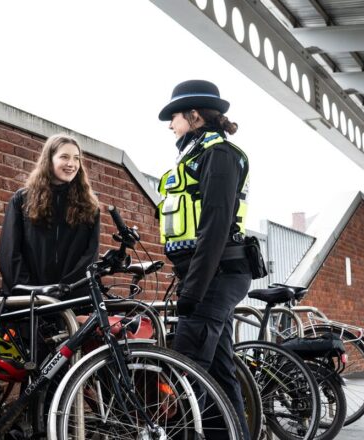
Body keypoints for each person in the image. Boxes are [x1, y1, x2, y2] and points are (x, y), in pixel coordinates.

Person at [157, 80, 252, 439]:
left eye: (174, 117)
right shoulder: (197, 154)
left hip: (217, 275)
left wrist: (192, 292)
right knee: (218, 375)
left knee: (183, 372)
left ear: (194, 116)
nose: (170, 125)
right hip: (211, 276)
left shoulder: (220, 155)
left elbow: (214, 227)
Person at [0, 133, 100, 298]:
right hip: (28, 302)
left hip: (72, 301)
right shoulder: (23, 199)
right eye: (64, 157)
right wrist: (32, 291)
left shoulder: (89, 205)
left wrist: (66, 290)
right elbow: (10, 253)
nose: (71, 164)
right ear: (49, 159)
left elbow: (90, 256)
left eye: (76, 158)